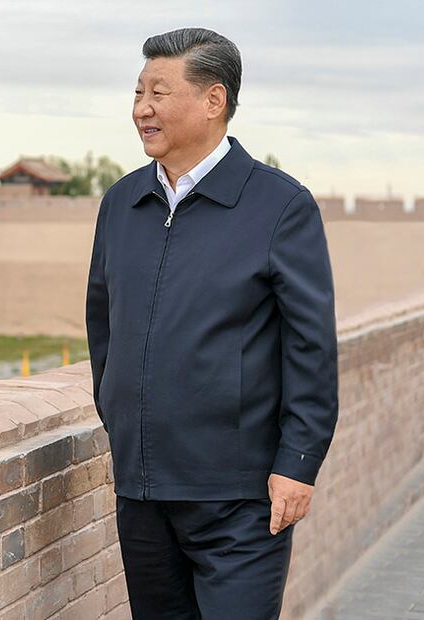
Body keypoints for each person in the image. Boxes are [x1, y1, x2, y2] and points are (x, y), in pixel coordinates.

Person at [85, 28, 338, 618]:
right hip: (142, 489)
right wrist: (120, 417)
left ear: (213, 100)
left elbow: (311, 347)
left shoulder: (279, 206)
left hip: (242, 498)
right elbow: (104, 325)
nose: (141, 108)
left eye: (159, 92)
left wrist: (298, 462)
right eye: (138, 92)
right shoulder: (121, 205)